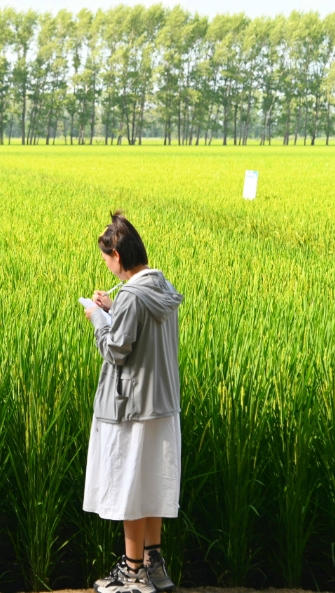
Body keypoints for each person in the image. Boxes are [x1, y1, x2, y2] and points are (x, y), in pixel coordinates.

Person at [82, 211, 184, 593]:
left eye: (106, 259)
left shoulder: (131, 297)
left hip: (133, 407)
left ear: (118, 258)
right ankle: (154, 566)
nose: (106, 266)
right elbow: (138, 331)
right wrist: (114, 309)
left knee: (130, 489)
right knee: (153, 486)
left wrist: (97, 317)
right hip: (163, 405)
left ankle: (132, 573)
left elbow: (116, 349)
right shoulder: (162, 288)